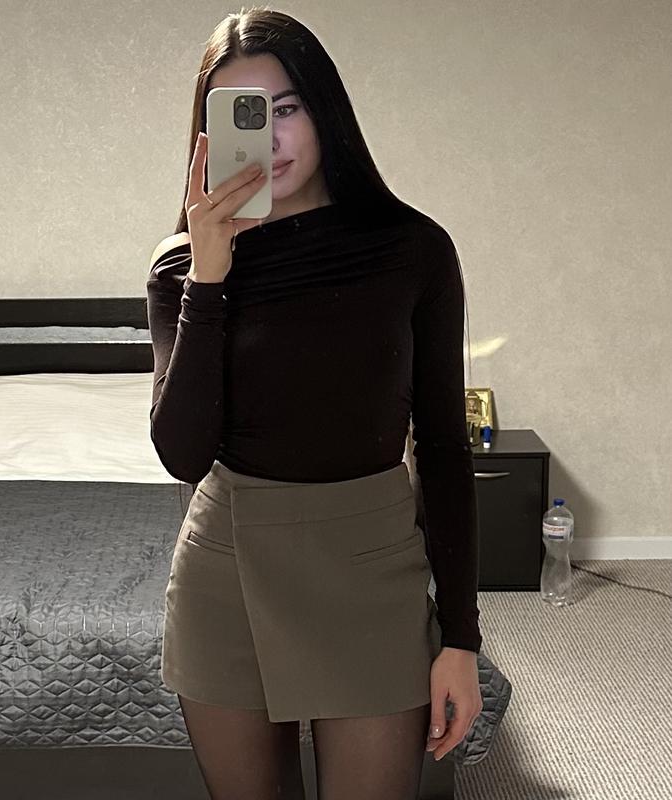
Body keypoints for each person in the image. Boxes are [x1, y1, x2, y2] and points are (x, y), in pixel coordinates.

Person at [146, 7, 483, 799]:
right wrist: (210, 277)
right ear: (208, 134)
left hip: (371, 566)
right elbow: (182, 455)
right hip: (226, 568)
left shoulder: (413, 250)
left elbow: (442, 444)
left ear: (325, 108)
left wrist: (460, 637)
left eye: (286, 108)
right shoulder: (182, 269)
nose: (268, 139)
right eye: (243, 115)